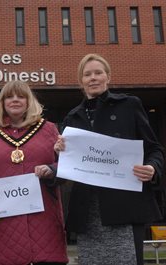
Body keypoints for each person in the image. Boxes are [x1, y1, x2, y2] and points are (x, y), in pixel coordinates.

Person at [54, 53, 164, 265]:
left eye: (98, 72)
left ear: (108, 76)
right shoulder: (72, 117)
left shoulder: (129, 105)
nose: (93, 78)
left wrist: (152, 168)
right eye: (87, 74)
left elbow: (155, 149)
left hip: (125, 204)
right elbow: (67, 167)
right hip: (88, 209)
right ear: (81, 81)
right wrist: (60, 152)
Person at [0, 80, 68, 265]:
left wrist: (52, 170)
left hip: (44, 220)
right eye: (9, 96)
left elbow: (66, 165)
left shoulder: (49, 130)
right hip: (3, 223)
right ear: (2, 102)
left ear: (29, 101)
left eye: (21, 96)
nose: (15, 100)